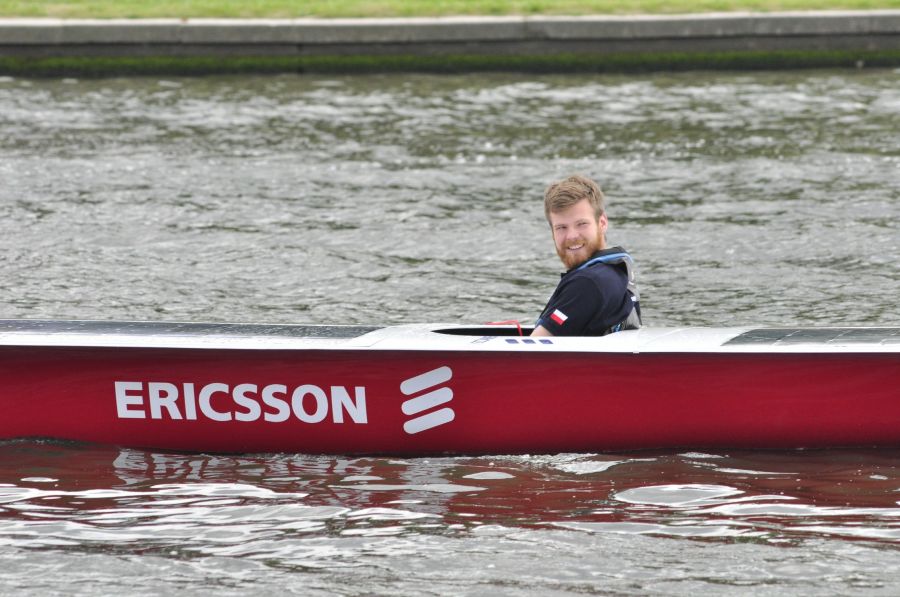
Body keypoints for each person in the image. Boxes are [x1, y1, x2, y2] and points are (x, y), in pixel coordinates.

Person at [531, 174, 641, 337]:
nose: (571, 236)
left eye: (581, 224)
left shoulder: (588, 282)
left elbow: (535, 346)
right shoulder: (615, 270)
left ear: (602, 223)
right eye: (561, 227)